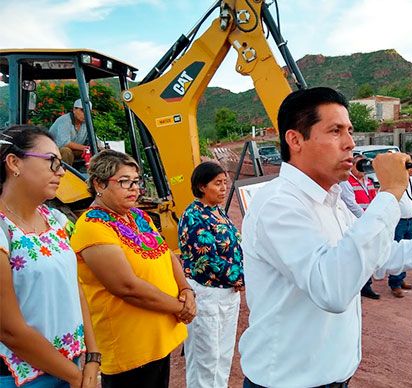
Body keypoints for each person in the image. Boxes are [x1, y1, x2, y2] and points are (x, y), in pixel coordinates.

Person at [238, 87, 412, 387]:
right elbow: (332, 288)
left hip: (335, 379)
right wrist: (389, 194)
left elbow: (378, 256)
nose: (350, 143)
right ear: (295, 140)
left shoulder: (331, 201)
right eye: (335, 131)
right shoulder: (278, 204)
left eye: (349, 131)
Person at [70, 150, 194, 388]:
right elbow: (126, 287)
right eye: (124, 181)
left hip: (157, 338)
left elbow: (165, 253)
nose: (134, 188)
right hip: (130, 346)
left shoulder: (139, 216)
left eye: (136, 181)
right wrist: (180, 307)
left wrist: (186, 289)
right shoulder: (92, 227)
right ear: (99, 183)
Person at [0, 125, 99, 388]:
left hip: (71, 368)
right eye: (52, 162)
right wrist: (74, 375)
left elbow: (74, 286)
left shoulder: (54, 219)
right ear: (14, 163)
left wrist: (92, 356)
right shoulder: (3, 229)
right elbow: (9, 329)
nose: (62, 171)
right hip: (22, 377)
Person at [178, 161, 244, 388]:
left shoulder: (217, 212)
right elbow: (207, 261)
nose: (224, 188)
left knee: (223, 356)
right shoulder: (193, 216)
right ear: (201, 186)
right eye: (218, 183)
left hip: (227, 294)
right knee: (206, 358)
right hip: (206, 294)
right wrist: (239, 277)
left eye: (226, 182)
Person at [339, 155, 380, 299]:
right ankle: (359, 287)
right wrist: (366, 219)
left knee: (368, 254)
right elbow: (351, 204)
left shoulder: (368, 181)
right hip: (356, 222)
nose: (363, 167)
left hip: (367, 221)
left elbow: (374, 199)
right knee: (357, 255)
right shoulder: (346, 182)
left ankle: (366, 285)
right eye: (359, 164)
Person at [387, 154, 412, 298]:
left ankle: (401, 278)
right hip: (398, 221)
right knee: (397, 251)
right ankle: (394, 283)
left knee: (406, 250)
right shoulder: (394, 181)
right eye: (409, 165)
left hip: (410, 220)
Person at [48, 99, 93, 166]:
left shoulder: (87, 123)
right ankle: (64, 175)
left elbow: (93, 138)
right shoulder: (64, 121)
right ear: (74, 110)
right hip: (54, 152)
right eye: (82, 110)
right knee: (66, 151)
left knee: (98, 152)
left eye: (88, 111)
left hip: (74, 151)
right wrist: (86, 148)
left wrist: (100, 147)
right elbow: (65, 143)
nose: (86, 114)